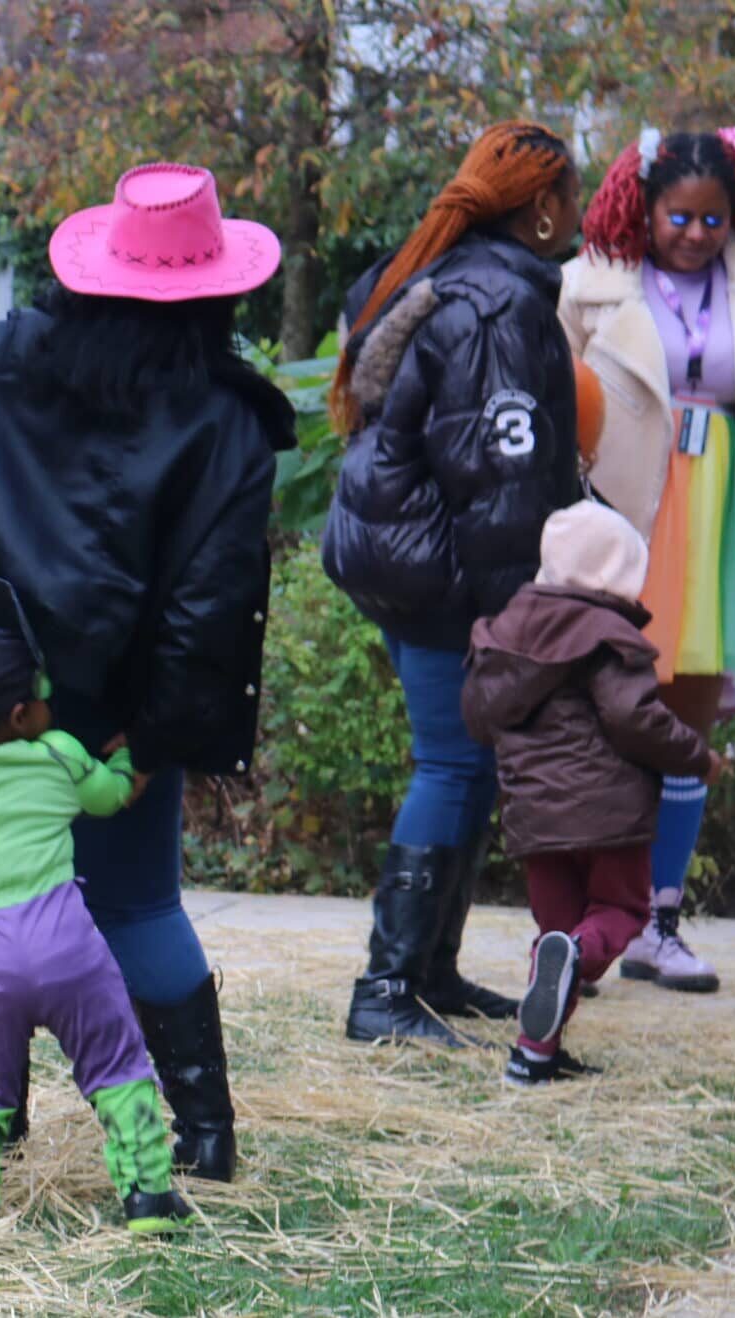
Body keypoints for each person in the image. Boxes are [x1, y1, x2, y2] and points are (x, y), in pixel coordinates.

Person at [0, 163, 290, 1181]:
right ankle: (203, 1137)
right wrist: (158, 728)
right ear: (216, 290)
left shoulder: (2, 357)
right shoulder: (229, 421)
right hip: (114, 696)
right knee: (136, 905)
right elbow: (207, 604)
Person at [322, 121, 586, 1045]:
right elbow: (499, 472)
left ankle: (428, 971)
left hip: (407, 555)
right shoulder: (497, 305)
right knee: (451, 762)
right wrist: (526, 610)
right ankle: (385, 991)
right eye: (572, 195)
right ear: (543, 209)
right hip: (440, 571)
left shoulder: (463, 280)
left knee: (467, 764)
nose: (581, 210)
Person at [561, 127, 735, 994]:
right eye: (680, 216)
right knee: (606, 722)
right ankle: (585, 922)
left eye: (715, 219)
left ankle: (657, 924)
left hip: (720, 526)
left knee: (686, 728)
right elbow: (551, 395)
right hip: (619, 519)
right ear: (644, 207)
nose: (696, 234)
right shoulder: (589, 287)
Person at [0, 626, 189, 1231]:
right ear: (22, 714)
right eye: (46, 695)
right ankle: (150, 1197)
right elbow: (111, 796)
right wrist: (131, 757)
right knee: (118, 1066)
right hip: (71, 954)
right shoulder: (58, 756)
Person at [461, 503, 722, 1084]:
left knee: (556, 932)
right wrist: (697, 756)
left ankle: (533, 1056)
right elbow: (635, 718)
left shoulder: (502, 633)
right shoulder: (607, 634)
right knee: (619, 913)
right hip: (609, 817)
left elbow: (478, 718)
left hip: (534, 822)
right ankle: (575, 959)